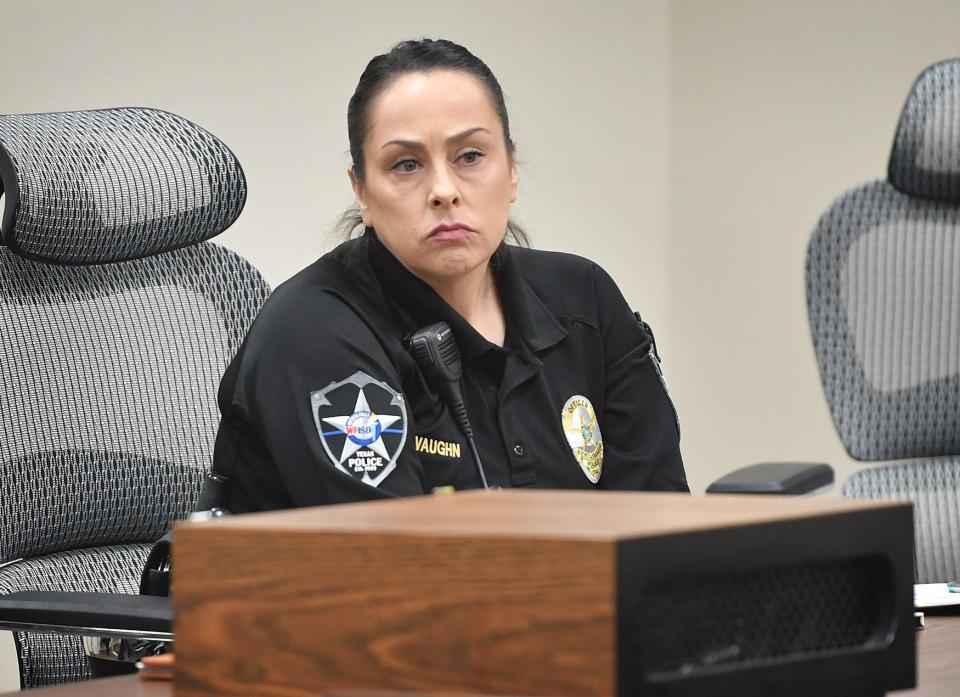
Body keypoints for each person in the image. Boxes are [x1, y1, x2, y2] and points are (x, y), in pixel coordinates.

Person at [212, 38, 688, 513]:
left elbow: (663, 525)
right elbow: (395, 566)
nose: (444, 190)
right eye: (406, 164)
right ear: (361, 191)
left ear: (512, 169)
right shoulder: (314, 331)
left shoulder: (585, 298)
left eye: (470, 156)